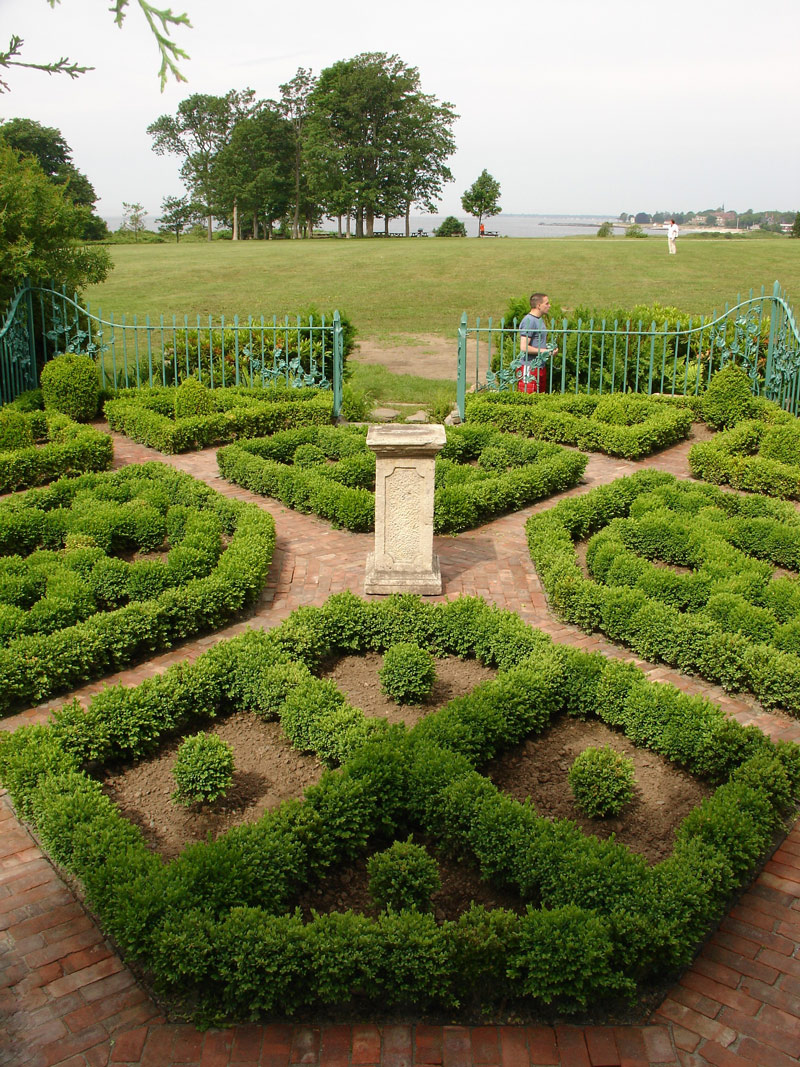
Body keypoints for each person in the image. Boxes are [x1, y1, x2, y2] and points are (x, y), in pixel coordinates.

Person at [518, 293, 557, 393]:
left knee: (540, 399)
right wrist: (546, 351)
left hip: (540, 367)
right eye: (547, 303)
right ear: (538, 306)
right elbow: (524, 347)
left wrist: (549, 349)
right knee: (528, 399)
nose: (549, 306)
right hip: (529, 367)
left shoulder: (539, 320)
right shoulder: (529, 320)